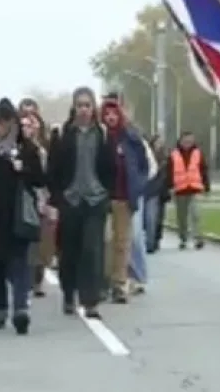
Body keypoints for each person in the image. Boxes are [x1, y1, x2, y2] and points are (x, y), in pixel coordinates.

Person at [47, 87, 114, 319]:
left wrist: (107, 193)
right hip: (71, 200)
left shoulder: (103, 133)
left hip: (95, 200)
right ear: (74, 108)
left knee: (92, 250)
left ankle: (90, 300)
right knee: (69, 251)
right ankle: (68, 294)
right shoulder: (63, 134)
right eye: (80, 105)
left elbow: (111, 167)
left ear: (93, 107)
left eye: (88, 105)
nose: (84, 110)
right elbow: (53, 169)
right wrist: (57, 198)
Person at [0, 99, 45, 334]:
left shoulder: (26, 149)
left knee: (20, 261)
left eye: (2, 123)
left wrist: (22, 170)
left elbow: (39, 178)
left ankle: (20, 309)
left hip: (19, 213)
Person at [99, 98, 149, 302]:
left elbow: (143, 166)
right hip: (102, 198)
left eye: (114, 114)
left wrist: (137, 187)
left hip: (124, 197)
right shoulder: (99, 138)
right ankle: (104, 281)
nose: (111, 117)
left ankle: (120, 283)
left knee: (122, 242)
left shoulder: (130, 138)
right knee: (105, 241)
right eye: (107, 114)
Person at [23, 113, 55, 298]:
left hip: (42, 197)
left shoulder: (44, 149)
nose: (29, 128)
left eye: (32, 124)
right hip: (23, 199)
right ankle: (25, 278)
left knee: (42, 241)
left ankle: (37, 280)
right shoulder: (15, 149)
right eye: (25, 125)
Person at [165, 131, 209, 250]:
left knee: (196, 214)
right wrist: (169, 187)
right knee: (182, 217)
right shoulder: (174, 154)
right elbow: (169, 172)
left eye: (190, 141)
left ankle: (198, 238)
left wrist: (206, 186)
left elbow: (203, 170)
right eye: (186, 141)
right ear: (181, 141)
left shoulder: (197, 153)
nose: (188, 143)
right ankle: (183, 238)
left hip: (195, 188)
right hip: (180, 190)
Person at [143, 134, 167, 254]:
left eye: (161, 142)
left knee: (153, 218)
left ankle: (151, 242)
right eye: (158, 142)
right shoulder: (145, 153)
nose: (159, 144)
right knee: (146, 218)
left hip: (157, 191)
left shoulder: (165, 158)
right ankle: (148, 241)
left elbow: (166, 176)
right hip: (145, 189)